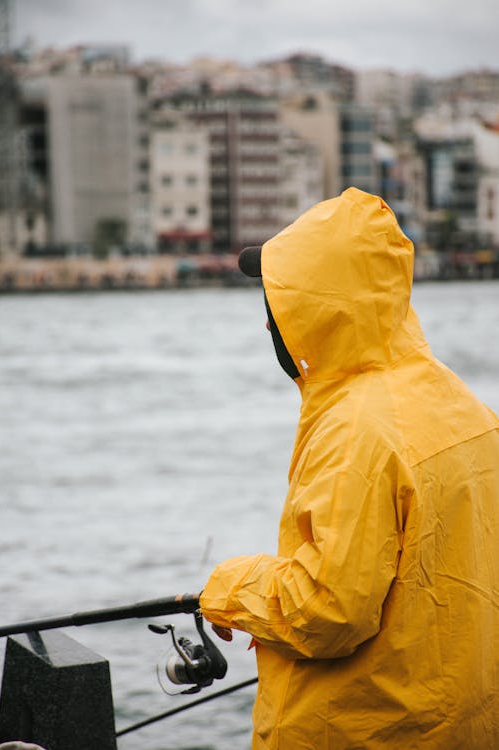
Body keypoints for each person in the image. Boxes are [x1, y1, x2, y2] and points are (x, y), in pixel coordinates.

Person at [199, 187, 499, 750]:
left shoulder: (354, 428)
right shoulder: (467, 405)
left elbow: (328, 611)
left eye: (275, 305)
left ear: (316, 310)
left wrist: (225, 586)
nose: (268, 327)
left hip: (362, 731)